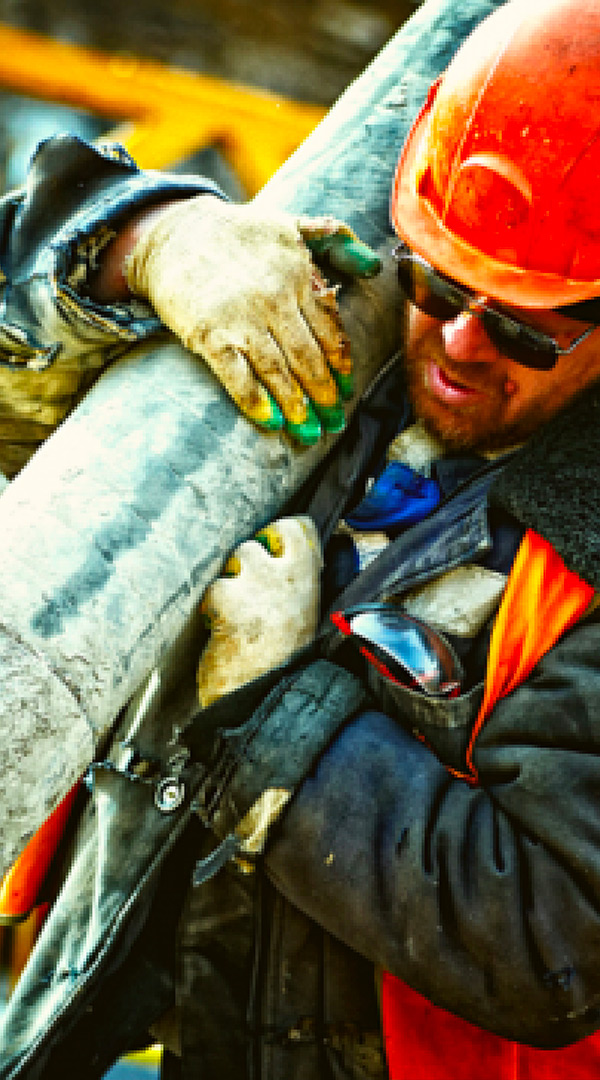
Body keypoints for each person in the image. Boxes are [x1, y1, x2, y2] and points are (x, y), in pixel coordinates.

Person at [6, 1, 600, 1079]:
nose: (459, 343)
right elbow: (20, 366)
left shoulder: (588, 565)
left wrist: (277, 712)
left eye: (523, 326)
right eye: (437, 281)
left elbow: (556, 939)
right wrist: (142, 243)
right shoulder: (332, 325)